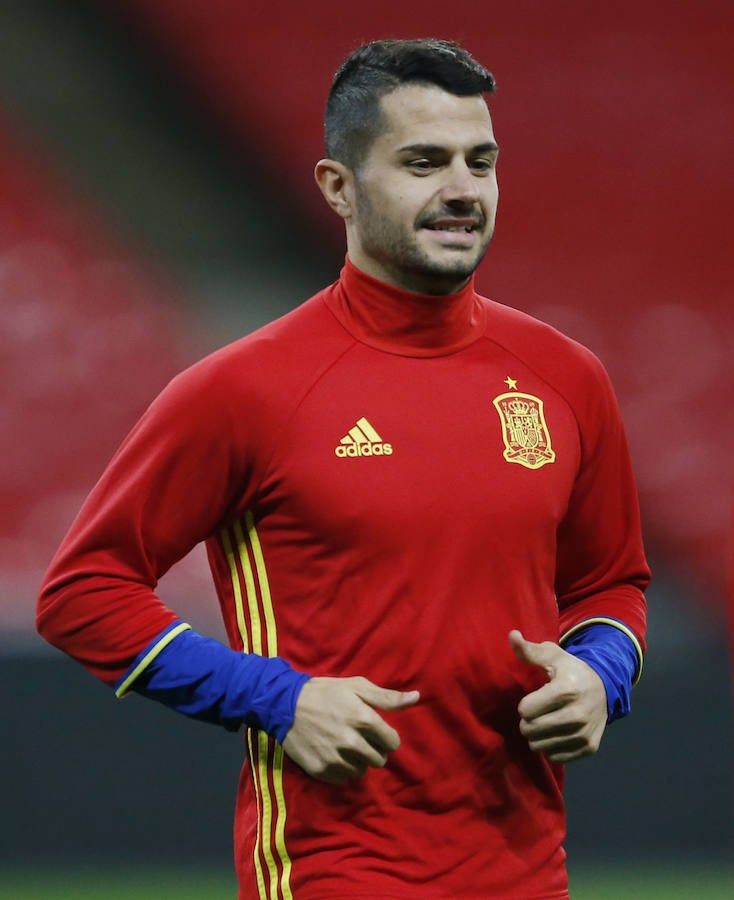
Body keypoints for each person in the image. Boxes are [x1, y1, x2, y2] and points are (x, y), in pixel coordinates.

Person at [37, 38, 649, 900]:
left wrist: (600, 675)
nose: (463, 190)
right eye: (423, 162)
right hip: (333, 869)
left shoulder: (565, 376)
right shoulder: (243, 389)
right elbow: (82, 592)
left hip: (527, 872)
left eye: (482, 161)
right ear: (338, 187)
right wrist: (276, 699)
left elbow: (611, 581)